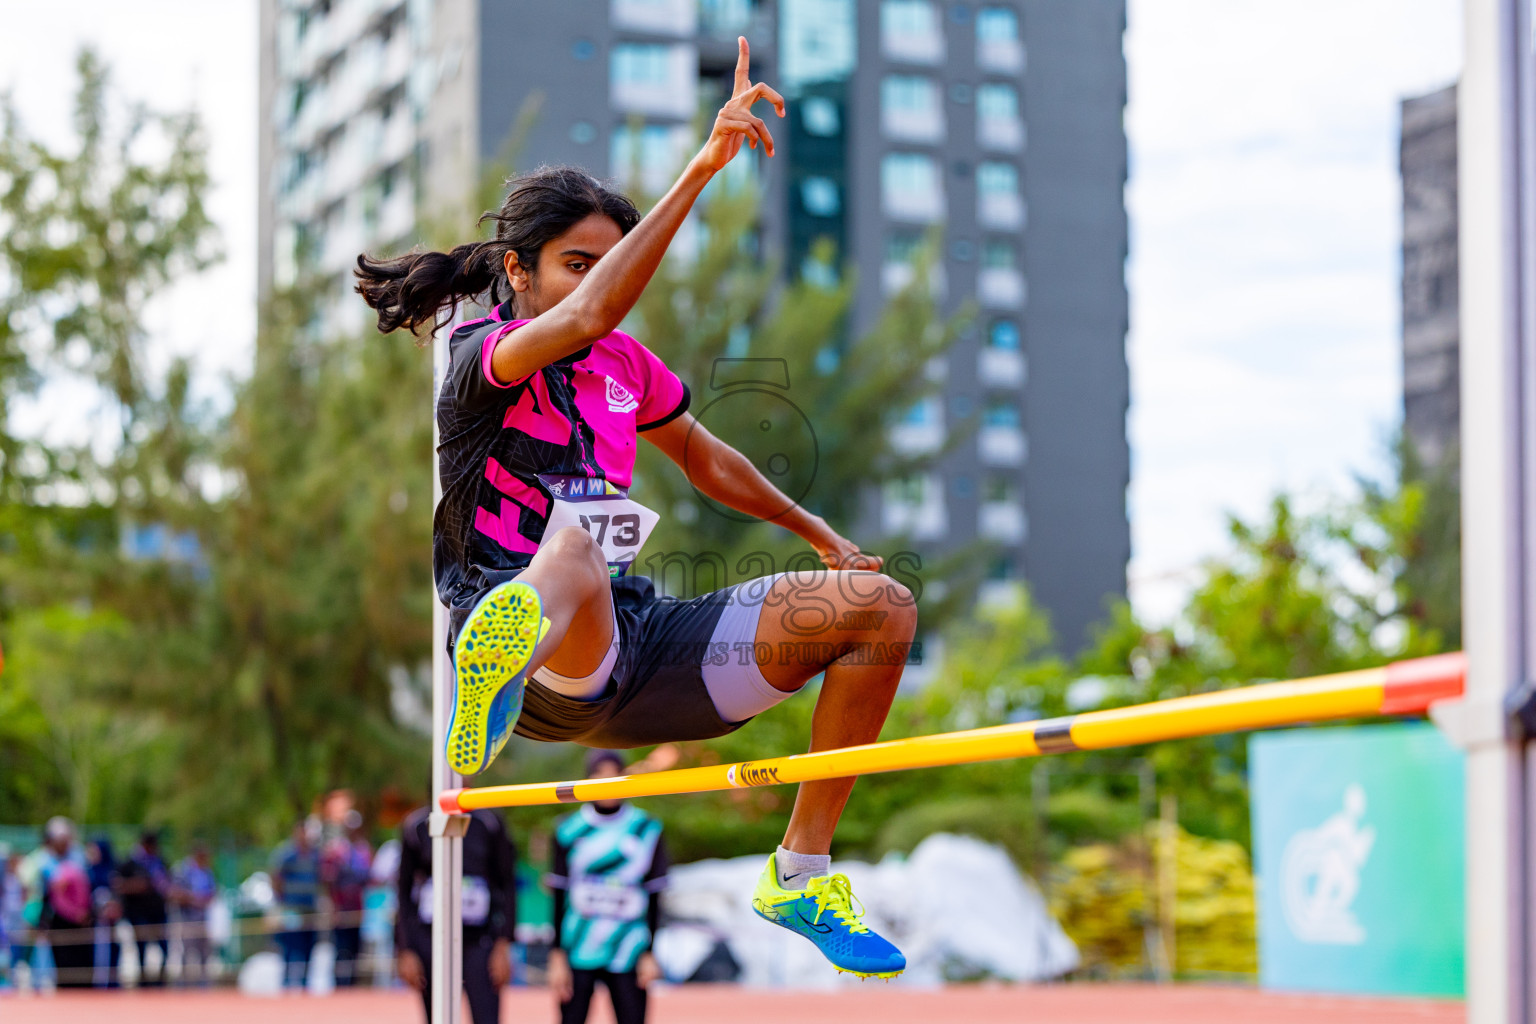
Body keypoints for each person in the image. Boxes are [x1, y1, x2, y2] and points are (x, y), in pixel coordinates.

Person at [354, 37, 910, 980]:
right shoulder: (483, 353)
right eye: (578, 262)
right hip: (541, 651)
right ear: (517, 270)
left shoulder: (623, 366)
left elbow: (703, 454)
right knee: (569, 549)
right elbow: (584, 318)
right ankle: (489, 680)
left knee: (879, 611)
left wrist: (821, 538)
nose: (600, 281)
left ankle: (803, 872)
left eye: (609, 264)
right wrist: (702, 167)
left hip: (630, 651)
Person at [546, 751, 668, 1024]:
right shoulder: (567, 828)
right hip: (578, 947)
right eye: (598, 775)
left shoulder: (647, 828)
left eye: (614, 774)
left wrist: (650, 953)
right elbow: (558, 893)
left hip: (629, 948)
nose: (606, 782)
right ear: (587, 780)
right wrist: (556, 956)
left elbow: (655, 894)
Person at [396, 801, 518, 1024]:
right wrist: (405, 949)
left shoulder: (490, 823)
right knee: (437, 1016)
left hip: (481, 938)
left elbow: (508, 883)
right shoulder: (416, 824)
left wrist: (504, 942)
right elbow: (403, 891)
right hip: (431, 939)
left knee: (487, 1016)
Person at [35, 817, 93, 988]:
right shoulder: (45, 860)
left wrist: (83, 913)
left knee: (82, 960)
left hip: (81, 918)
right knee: (62, 960)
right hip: (59, 918)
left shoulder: (78, 856)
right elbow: (50, 893)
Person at [270, 820, 322, 990]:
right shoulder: (286, 854)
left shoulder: (315, 855)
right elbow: (276, 878)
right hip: (292, 908)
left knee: (309, 945)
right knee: (290, 945)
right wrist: (282, 902)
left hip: (310, 908)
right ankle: (286, 981)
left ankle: (305, 982)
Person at [321, 812, 372, 986]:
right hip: (341, 908)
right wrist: (333, 907)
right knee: (341, 949)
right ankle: (339, 984)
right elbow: (329, 881)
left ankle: (352, 984)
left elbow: (368, 878)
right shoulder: (337, 851)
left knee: (355, 949)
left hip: (357, 907)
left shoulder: (363, 850)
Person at [115, 830, 170, 986]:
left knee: (163, 945)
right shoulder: (129, 862)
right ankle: (143, 980)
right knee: (141, 946)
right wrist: (136, 886)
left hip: (158, 911)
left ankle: (161, 979)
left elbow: (167, 883)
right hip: (138, 912)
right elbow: (118, 884)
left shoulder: (159, 861)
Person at [172, 843, 217, 985]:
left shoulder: (207, 872)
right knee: (187, 952)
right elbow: (176, 893)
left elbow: (213, 892)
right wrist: (194, 899)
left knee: (204, 953)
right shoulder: (182, 870)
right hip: (187, 918)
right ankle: (184, 984)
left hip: (203, 918)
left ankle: (203, 983)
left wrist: (204, 900)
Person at [84, 837, 121, 986]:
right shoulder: (89, 871)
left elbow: (118, 893)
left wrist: (114, 906)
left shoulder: (112, 871)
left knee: (110, 954)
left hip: (110, 923)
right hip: (94, 922)